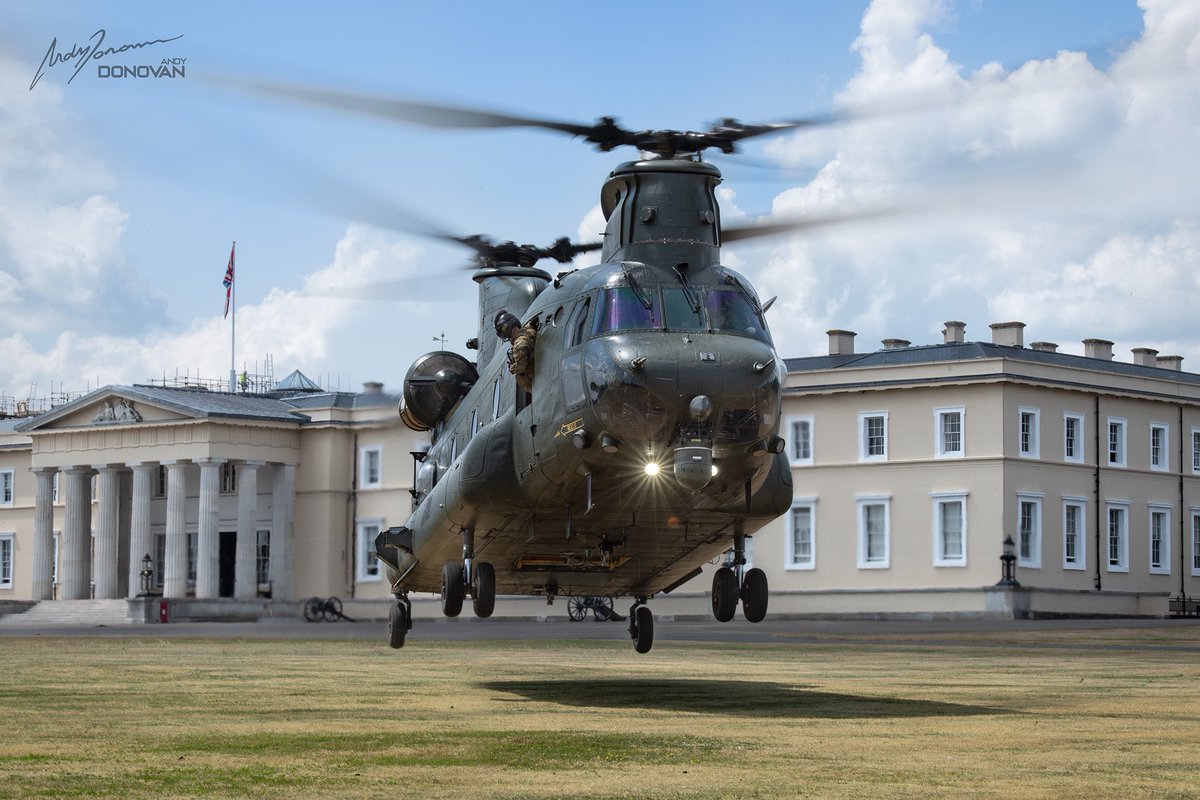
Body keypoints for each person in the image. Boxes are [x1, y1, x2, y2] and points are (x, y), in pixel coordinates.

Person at [494, 310, 537, 391]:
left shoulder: (518, 345)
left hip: (536, 380)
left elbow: (521, 367)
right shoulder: (529, 331)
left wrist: (512, 368)